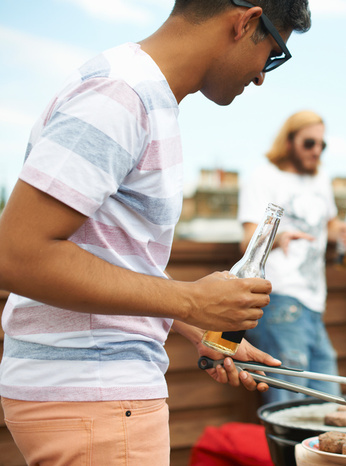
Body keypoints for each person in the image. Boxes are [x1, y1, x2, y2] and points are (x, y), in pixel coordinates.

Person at [0, 1, 311, 464]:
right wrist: (191, 300)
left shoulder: (136, 93)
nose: (263, 76)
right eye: (273, 53)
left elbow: (110, 259)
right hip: (97, 395)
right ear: (246, 22)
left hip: (90, 395)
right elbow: (16, 255)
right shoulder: (121, 95)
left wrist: (195, 324)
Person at [238, 110, 346, 403]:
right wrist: (279, 237)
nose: (317, 151)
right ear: (289, 141)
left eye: (322, 145)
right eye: (309, 143)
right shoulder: (264, 176)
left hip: (314, 304)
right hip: (280, 299)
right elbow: (247, 239)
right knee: (290, 410)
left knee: (329, 409)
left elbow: (327, 226)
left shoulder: (320, 178)